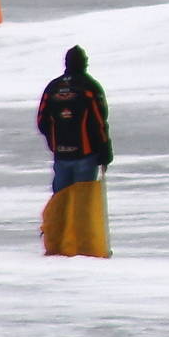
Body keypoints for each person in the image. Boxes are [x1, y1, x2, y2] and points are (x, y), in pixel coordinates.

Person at [37, 46, 115, 257]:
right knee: (82, 204)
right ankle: (82, 245)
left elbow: (42, 120)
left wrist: (55, 143)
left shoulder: (53, 88)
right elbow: (100, 122)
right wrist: (105, 152)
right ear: (84, 63)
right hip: (86, 156)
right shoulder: (89, 87)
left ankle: (58, 244)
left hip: (62, 155)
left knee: (61, 200)